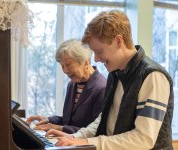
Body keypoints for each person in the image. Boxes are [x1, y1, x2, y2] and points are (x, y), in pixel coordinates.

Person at [45, 10, 174, 150]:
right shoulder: (115, 74)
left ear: (118, 41)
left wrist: (87, 142)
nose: (95, 59)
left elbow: (143, 139)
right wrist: (76, 137)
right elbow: (104, 119)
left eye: (99, 51)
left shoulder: (153, 76)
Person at [26, 39, 107, 134]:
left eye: (68, 64)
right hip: (68, 140)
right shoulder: (72, 84)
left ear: (86, 62)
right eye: (62, 65)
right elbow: (68, 121)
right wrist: (48, 120)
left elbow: (95, 131)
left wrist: (59, 128)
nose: (65, 70)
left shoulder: (102, 88)